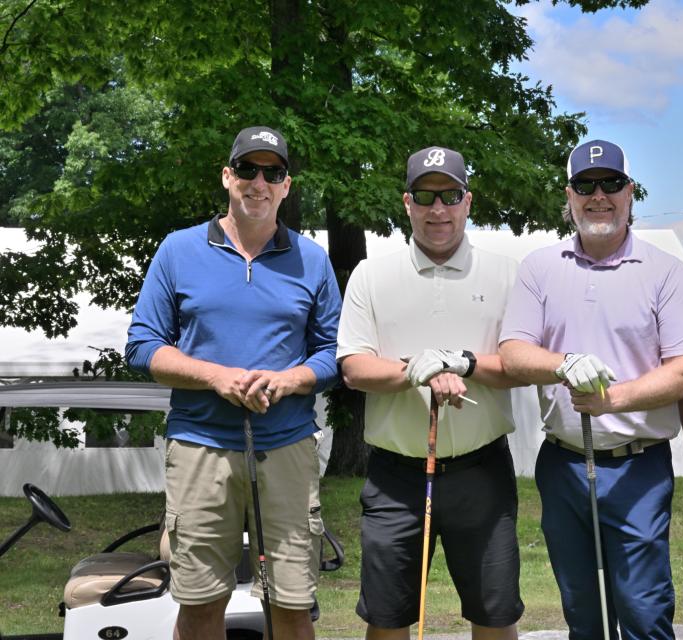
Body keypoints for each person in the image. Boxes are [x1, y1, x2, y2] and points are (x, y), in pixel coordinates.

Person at [126, 126, 342, 640]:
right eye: (247, 169)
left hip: (287, 448)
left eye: (273, 172)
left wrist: (290, 380)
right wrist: (215, 376)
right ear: (227, 176)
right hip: (200, 448)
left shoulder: (312, 259)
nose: (258, 182)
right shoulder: (178, 251)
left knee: (291, 605)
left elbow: (336, 353)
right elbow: (142, 347)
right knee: (200, 603)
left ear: (287, 185)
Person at [498, 139, 683, 640]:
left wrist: (614, 399)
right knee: (582, 612)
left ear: (629, 192)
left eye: (611, 184)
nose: (599, 196)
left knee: (642, 611)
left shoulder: (665, 271)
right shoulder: (540, 268)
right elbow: (513, 353)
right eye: (586, 186)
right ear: (568, 195)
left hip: (638, 465)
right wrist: (564, 364)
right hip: (564, 463)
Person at [337, 146, 525, 640]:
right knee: (388, 619)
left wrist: (462, 362)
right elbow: (354, 367)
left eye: (450, 196)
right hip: (396, 476)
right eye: (425, 196)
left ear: (468, 201)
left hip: (481, 471)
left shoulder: (507, 274)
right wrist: (412, 371)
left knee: (495, 616)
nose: (438, 209)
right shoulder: (371, 274)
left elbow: (519, 367)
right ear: (407, 202)